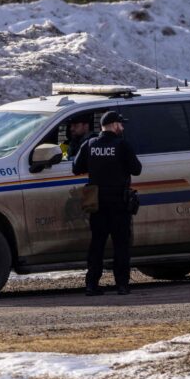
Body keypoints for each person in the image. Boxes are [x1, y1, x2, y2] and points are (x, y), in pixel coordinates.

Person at [72, 110, 142, 296]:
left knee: (97, 244)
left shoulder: (90, 144)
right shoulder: (122, 145)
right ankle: (122, 285)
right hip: (119, 202)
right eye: (121, 124)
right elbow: (137, 170)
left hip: (97, 203)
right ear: (113, 125)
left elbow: (76, 168)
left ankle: (91, 285)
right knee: (121, 244)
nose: (123, 127)